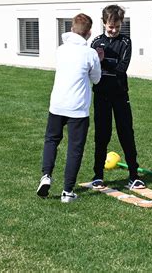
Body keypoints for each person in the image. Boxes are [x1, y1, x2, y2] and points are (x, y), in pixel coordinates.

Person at [36, 13, 102, 203]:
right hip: (78, 109)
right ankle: (67, 191)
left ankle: (46, 175)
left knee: (51, 141)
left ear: (73, 29)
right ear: (89, 33)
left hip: (57, 104)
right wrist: (99, 59)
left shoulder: (61, 50)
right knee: (75, 148)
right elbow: (96, 79)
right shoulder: (90, 54)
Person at [90, 5, 145, 190]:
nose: (113, 31)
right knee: (102, 135)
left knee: (126, 133)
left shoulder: (126, 42)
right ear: (104, 23)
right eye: (110, 27)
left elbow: (122, 68)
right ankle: (98, 175)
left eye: (117, 27)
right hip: (101, 95)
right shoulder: (96, 42)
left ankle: (134, 175)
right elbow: (92, 70)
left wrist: (104, 61)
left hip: (120, 95)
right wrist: (99, 63)